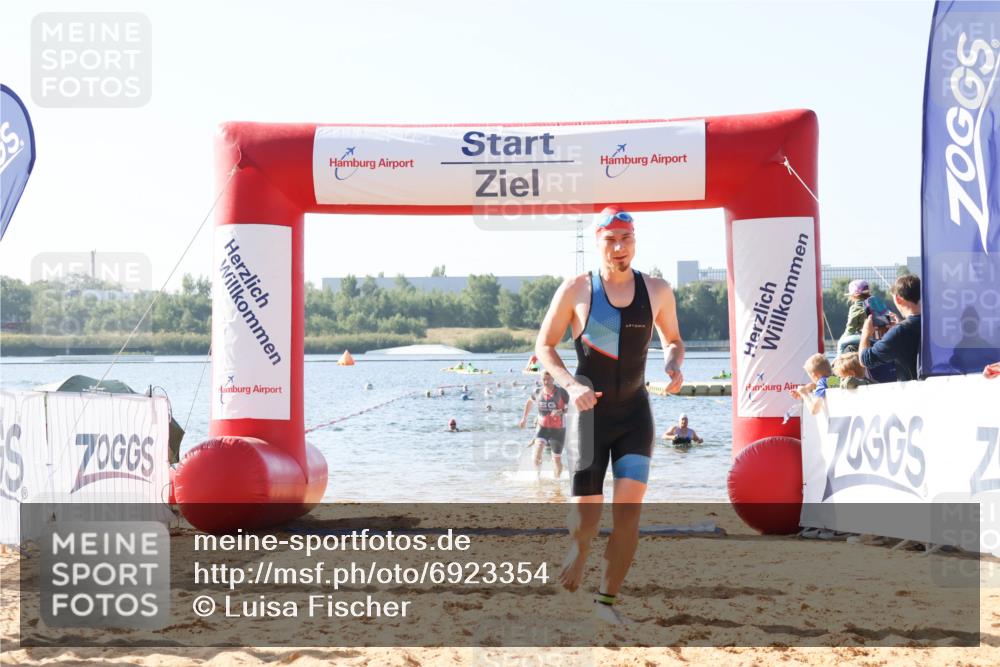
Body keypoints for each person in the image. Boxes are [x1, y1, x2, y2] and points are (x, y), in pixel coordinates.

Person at [535, 205, 684, 625]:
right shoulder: (576, 289)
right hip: (589, 419)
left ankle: (606, 603)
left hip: (635, 415)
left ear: (635, 239)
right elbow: (544, 346)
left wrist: (673, 364)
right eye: (611, 241)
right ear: (598, 244)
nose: (620, 249)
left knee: (629, 512)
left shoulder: (656, 290)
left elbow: (673, 339)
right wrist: (571, 383)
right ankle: (580, 546)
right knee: (586, 520)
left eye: (627, 239)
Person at [860, 274, 922, 382]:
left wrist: (865, 334)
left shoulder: (900, 332)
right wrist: (900, 325)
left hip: (915, 393)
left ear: (898, 299)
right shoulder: (937, 324)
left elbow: (866, 359)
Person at [518, 371, 571, 479]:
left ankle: (557, 480)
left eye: (548, 379)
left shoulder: (561, 392)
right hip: (542, 428)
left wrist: (561, 411)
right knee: (537, 455)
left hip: (558, 430)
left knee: (556, 459)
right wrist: (524, 418)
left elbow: (573, 407)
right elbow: (529, 402)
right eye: (544, 379)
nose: (546, 382)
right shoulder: (537, 392)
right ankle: (538, 478)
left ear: (553, 379)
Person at [838, 280, 870, 353]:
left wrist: (843, 337)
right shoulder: (874, 304)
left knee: (840, 343)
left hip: (863, 337)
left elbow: (851, 329)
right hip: (876, 337)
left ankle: (838, 360)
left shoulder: (855, 307)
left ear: (854, 295)